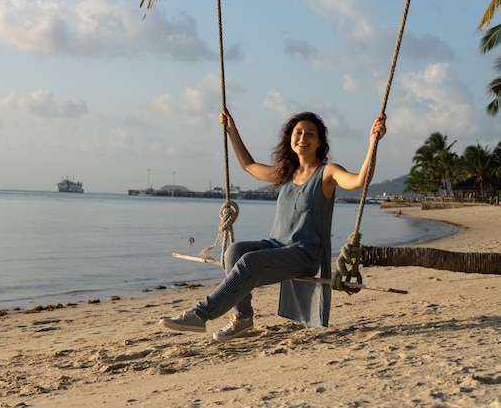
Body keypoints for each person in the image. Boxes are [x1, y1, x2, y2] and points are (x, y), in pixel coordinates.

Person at [159, 109, 387, 342]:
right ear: (290, 139)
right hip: (276, 245)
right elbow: (248, 165)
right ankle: (243, 319)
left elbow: (360, 180)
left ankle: (200, 314)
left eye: (310, 134)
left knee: (251, 262)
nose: (303, 137)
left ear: (319, 142)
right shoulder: (286, 172)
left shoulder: (327, 172)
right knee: (234, 251)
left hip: (305, 253)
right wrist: (231, 130)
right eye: (298, 132)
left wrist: (373, 142)